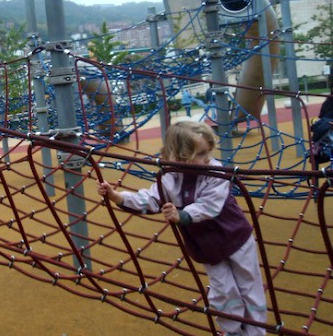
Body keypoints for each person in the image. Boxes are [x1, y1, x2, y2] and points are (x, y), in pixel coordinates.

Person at [97, 121, 266, 335]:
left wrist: (183, 215)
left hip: (235, 238)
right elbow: (150, 199)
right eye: (200, 153)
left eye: (208, 152)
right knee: (223, 291)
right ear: (179, 157)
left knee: (248, 286)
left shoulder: (217, 172)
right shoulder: (169, 177)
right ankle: (233, 331)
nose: (207, 158)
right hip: (206, 245)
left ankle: (256, 332)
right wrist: (117, 196)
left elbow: (210, 206)